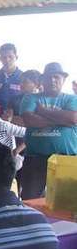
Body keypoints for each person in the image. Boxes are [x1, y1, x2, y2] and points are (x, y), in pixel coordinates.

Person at [20, 62, 77, 199]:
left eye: (56, 77)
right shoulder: (30, 97)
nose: (52, 80)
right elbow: (29, 120)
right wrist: (60, 120)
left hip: (66, 158)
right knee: (30, 200)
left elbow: (73, 118)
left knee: (66, 202)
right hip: (35, 158)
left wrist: (43, 111)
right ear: (42, 80)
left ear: (63, 79)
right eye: (48, 77)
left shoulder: (71, 98)